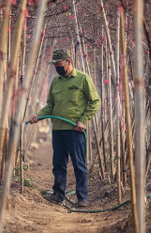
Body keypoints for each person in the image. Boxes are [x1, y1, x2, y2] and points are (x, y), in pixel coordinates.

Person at [28, 48, 101, 208]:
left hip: (76, 130)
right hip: (58, 129)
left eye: (59, 64)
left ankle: (82, 197)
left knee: (78, 164)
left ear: (69, 62)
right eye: (54, 65)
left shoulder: (82, 79)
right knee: (58, 163)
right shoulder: (56, 82)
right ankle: (58, 194)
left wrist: (83, 120)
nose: (57, 67)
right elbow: (51, 105)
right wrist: (39, 115)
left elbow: (95, 102)